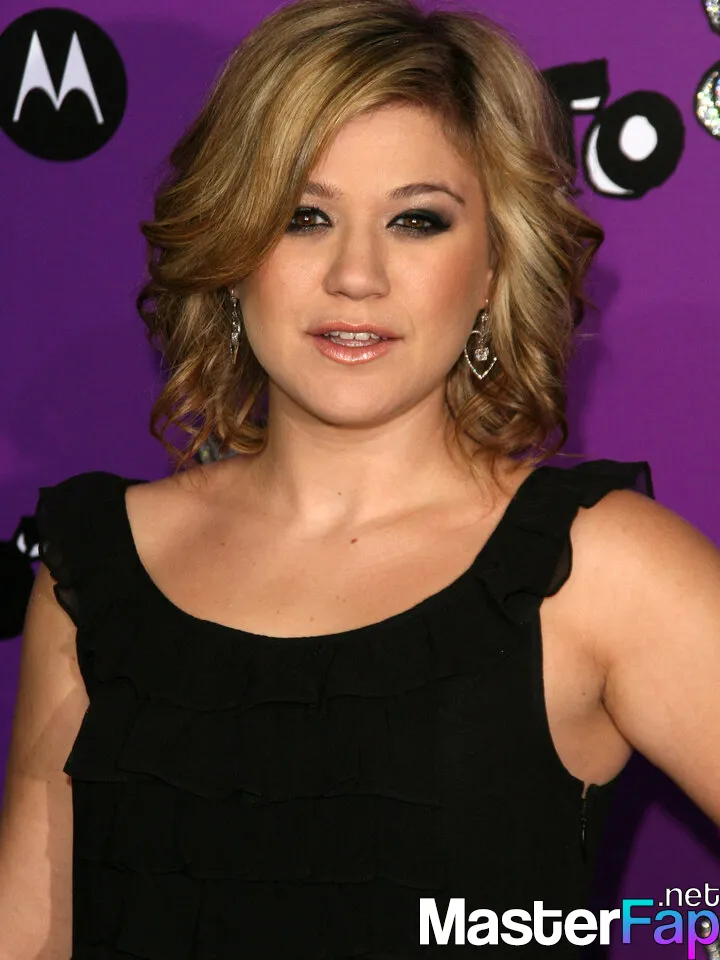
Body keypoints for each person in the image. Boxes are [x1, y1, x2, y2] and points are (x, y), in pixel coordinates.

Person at [1, 0, 719, 957]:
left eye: (417, 221)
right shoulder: (96, 568)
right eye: (304, 217)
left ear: (493, 266)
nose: (356, 274)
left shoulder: (601, 569)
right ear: (231, 253)